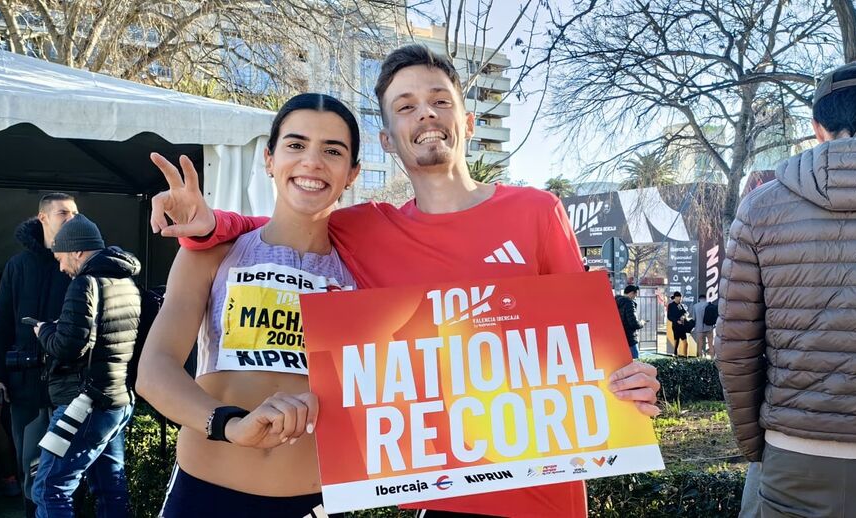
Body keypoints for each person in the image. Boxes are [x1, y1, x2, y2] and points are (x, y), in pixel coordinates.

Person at [149, 45, 661, 518]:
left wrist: (626, 381)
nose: (311, 161)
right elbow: (286, 225)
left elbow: (584, 354)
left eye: (440, 100)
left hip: (518, 492)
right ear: (387, 139)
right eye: (406, 105)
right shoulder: (323, 236)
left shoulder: (521, 213)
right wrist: (215, 226)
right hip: (234, 484)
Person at [138, 93, 359, 518]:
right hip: (206, 490)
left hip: (316, 502)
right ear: (269, 160)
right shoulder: (213, 251)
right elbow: (155, 371)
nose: (312, 161)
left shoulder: (363, 268)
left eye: (332, 150)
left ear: (352, 174)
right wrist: (230, 424)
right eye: (296, 145)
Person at [715, 61, 856, 517]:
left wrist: (758, 445)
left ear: (818, 127)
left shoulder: (761, 208)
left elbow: (735, 346)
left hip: (795, 452)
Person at [30, 215, 141, 517]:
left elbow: (68, 347)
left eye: (61, 257)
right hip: (116, 399)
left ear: (78, 251)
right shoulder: (126, 282)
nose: (61, 266)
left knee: (49, 488)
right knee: (111, 489)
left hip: (84, 404)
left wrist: (45, 332)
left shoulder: (84, 284)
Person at [0, 193, 77, 517]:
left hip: (70, 389)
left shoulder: (81, 263)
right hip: (25, 391)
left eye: (75, 213)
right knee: (31, 474)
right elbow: (1, 328)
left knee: (63, 477)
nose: (71, 218)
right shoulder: (18, 266)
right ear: (43, 218)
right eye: (64, 213)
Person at [615, 285, 644, 359]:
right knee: (636, 362)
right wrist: (642, 323)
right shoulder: (629, 303)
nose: (635, 297)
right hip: (630, 338)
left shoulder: (615, 301)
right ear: (631, 293)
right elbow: (633, 323)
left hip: (619, 338)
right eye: (635, 295)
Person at [666, 291, 688, 356]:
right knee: (676, 341)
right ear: (675, 297)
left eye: (681, 297)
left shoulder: (680, 305)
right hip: (675, 326)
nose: (680, 299)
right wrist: (676, 321)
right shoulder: (671, 305)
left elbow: (685, 312)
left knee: (685, 342)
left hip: (682, 326)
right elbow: (669, 316)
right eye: (679, 297)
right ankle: (675, 354)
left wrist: (684, 316)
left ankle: (685, 356)